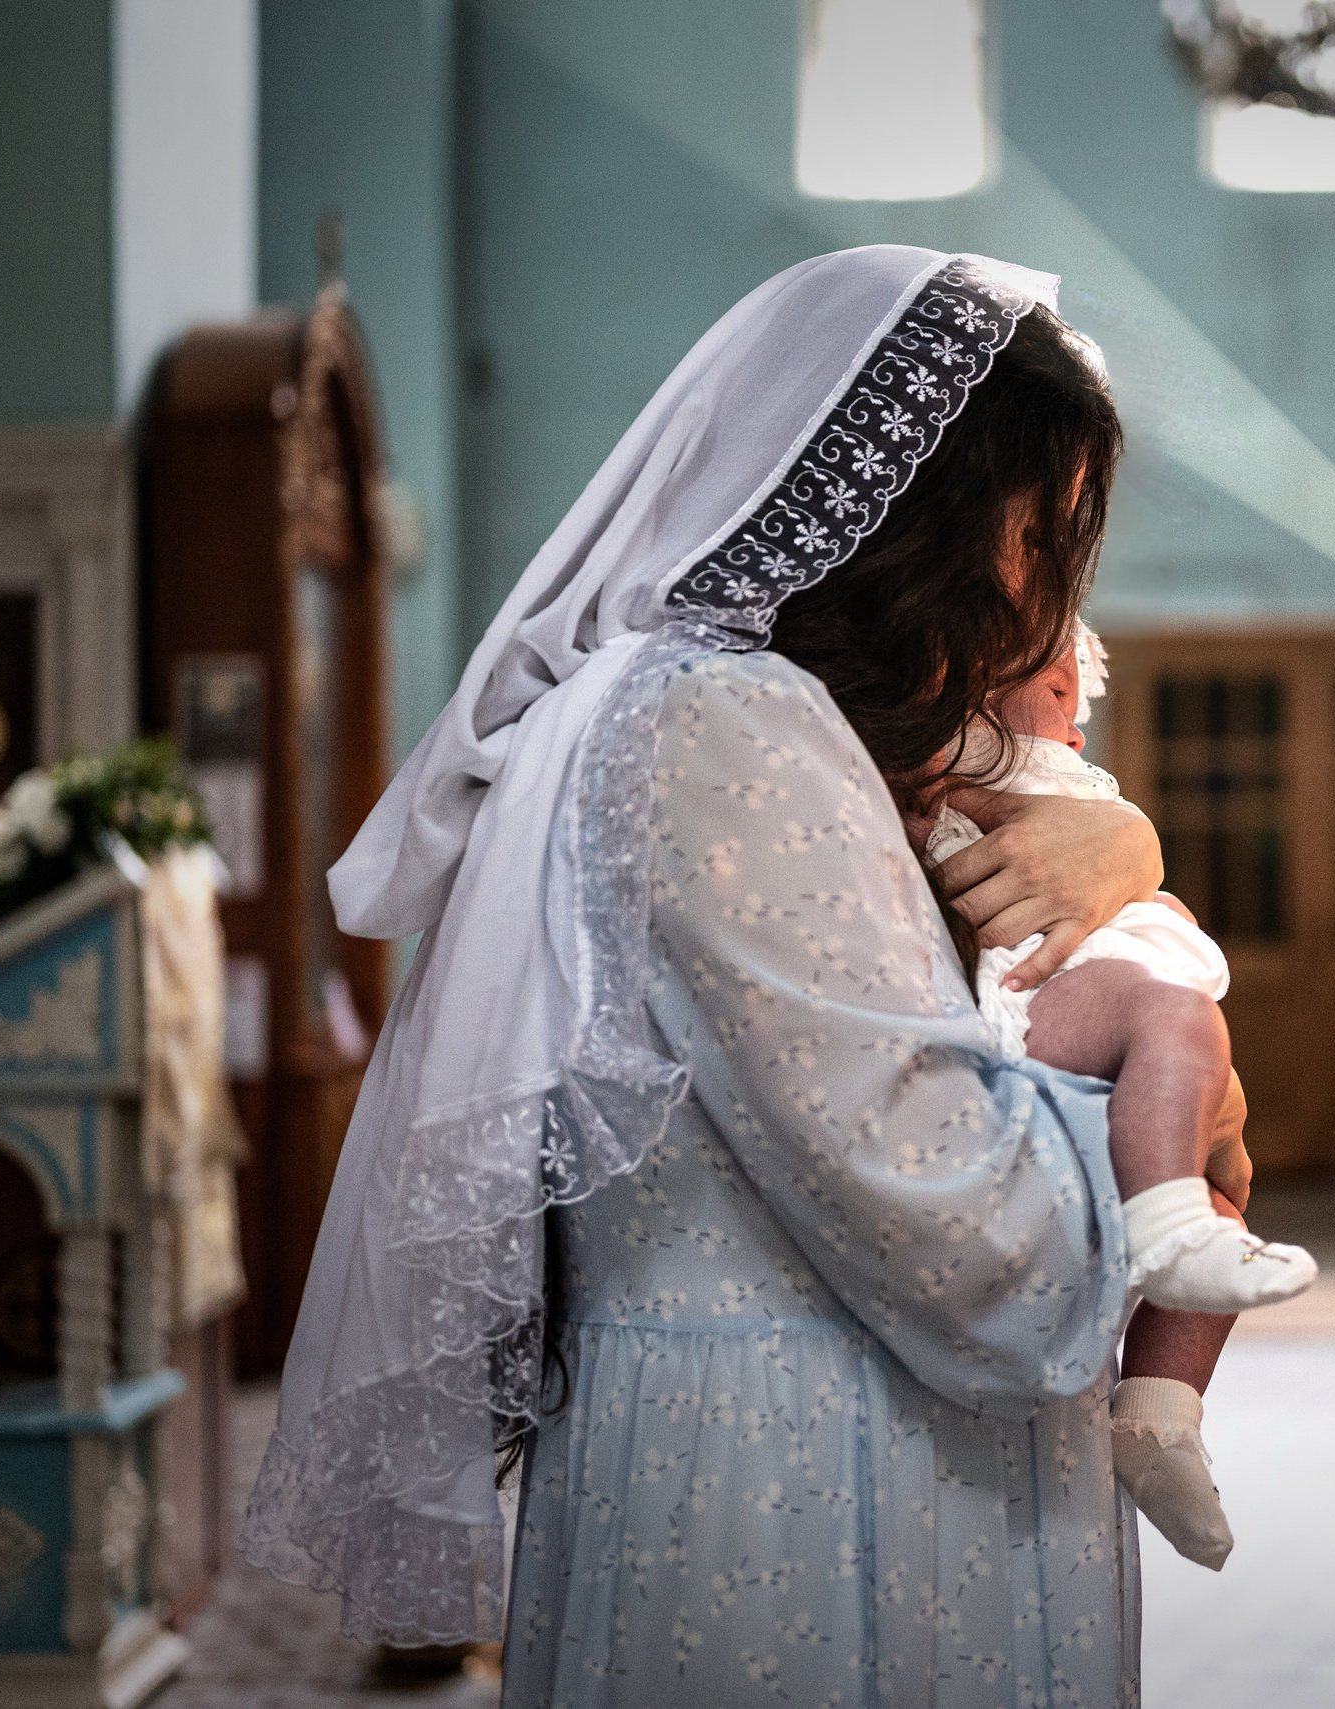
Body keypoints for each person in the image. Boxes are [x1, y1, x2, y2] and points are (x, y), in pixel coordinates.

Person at [242, 247, 1237, 1709]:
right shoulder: (727, 721)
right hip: (806, 1489)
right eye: (1034, 529)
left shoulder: (760, 719)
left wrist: (1123, 860)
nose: (1041, 590)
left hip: (811, 1440)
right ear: (922, 518)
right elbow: (977, 1240)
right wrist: (1178, 1111)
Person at [920, 630, 1314, 1571]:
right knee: (1179, 1022)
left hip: (1093, 999)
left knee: (1226, 1203)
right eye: (1056, 691)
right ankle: (1166, 1227)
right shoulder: (963, 762)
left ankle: (1161, 1418)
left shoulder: (1061, 779)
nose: (1076, 721)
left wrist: (1140, 871)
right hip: (1037, 994)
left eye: (1078, 699)